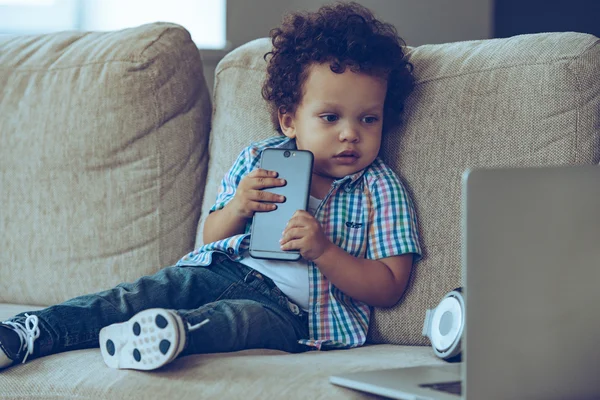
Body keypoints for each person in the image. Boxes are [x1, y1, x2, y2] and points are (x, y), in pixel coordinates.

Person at [0, 1, 421, 371]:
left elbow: (388, 286)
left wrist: (325, 251)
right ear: (289, 119)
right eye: (331, 118)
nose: (351, 134)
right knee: (140, 293)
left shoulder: (380, 189)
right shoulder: (259, 159)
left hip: (291, 315)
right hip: (222, 270)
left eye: (369, 119)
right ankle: (26, 334)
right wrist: (239, 206)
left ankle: (162, 336)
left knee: (235, 322)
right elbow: (211, 236)